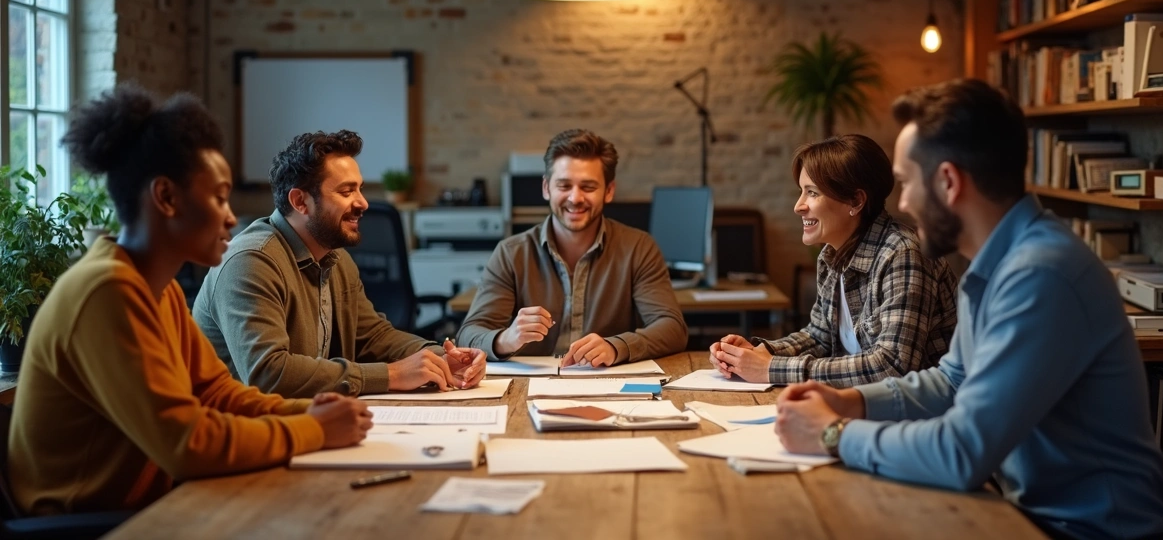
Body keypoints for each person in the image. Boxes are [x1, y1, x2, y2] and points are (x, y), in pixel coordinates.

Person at [774, 79, 1163, 540]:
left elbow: (961, 452)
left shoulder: (1040, 275)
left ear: (948, 182)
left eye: (907, 184)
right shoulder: (995, 263)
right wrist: (853, 400)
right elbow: (952, 381)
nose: (902, 202)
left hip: (1082, 531)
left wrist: (834, 434)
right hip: (1020, 511)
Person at [8, 84, 372, 516]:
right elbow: (187, 444)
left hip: (159, 501)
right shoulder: (106, 291)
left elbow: (216, 393)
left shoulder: (154, 289)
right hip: (97, 522)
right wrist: (311, 429)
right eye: (218, 197)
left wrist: (310, 409)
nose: (232, 216)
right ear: (166, 198)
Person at [194, 130, 486, 399]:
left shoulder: (335, 258)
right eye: (347, 192)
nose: (363, 203)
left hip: (299, 421)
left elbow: (372, 336)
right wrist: (392, 374)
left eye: (359, 189)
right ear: (300, 201)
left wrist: (438, 356)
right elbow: (270, 374)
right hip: (241, 437)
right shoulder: (251, 262)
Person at [710, 135, 957, 387]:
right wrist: (756, 353)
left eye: (812, 193)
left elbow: (893, 366)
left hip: (920, 417)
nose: (798, 206)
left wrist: (771, 368)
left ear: (856, 201)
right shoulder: (832, 254)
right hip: (864, 407)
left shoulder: (902, 254)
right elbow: (819, 338)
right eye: (801, 192)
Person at [456, 129, 687, 366]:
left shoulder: (639, 248)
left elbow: (672, 328)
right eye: (564, 185)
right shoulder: (510, 253)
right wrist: (506, 339)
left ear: (608, 191)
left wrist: (616, 346)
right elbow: (468, 335)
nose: (575, 198)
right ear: (546, 188)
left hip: (609, 384)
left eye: (588, 187)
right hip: (527, 386)